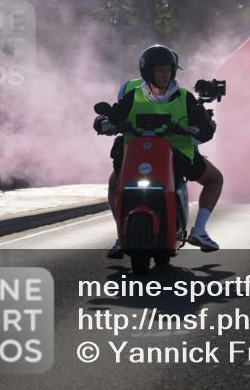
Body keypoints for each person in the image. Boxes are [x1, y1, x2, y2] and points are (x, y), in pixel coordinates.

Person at [95, 45, 223, 257]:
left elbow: (205, 126)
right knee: (114, 185)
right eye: (160, 70)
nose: (166, 74)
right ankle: (121, 235)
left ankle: (199, 230)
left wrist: (198, 128)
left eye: (168, 70)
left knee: (215, 178)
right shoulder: (133, 96)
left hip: (178, 157)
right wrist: (104, 123)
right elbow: (111, 115)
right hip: (136, 157)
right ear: (148, 72)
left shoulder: (185, 97)